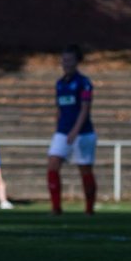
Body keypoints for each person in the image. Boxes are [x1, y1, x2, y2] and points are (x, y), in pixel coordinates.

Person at [48, 43, 97, 215]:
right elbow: (59, 109)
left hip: (82, 133)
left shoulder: (84, 83)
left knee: (84, 169)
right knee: (52, 164)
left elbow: (85, 108)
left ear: (77, 62)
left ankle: (89, 209)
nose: (66, 63)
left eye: (69, 59)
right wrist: (58, 128)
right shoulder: (60, 83)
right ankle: (56, 208)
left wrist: (75, 130)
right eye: (64, 59)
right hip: (62, 132)